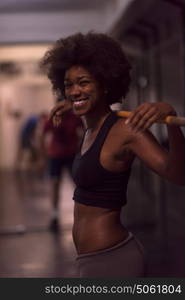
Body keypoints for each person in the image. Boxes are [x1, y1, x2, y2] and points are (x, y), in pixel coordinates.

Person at [41, 32, 185, 277]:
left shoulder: (126, 130)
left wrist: (171, 119)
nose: (75, 90)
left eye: (84, 82)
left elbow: (179, 175)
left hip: (113, 260)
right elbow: (87, 103)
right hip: (88, 260)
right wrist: (78, 101)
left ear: (105, 83)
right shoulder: (90, 127)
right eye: (68, 85)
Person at [40, 99, 82, 232]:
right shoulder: (53, 118)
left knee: (78, 184)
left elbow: (85, 132)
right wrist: (43, 157)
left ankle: (83, 213)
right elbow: (41, 135)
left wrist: (82, 150)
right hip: (56, 155)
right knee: (55, 183)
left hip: (71, 154)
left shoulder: (74, 117)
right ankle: (54, 215)